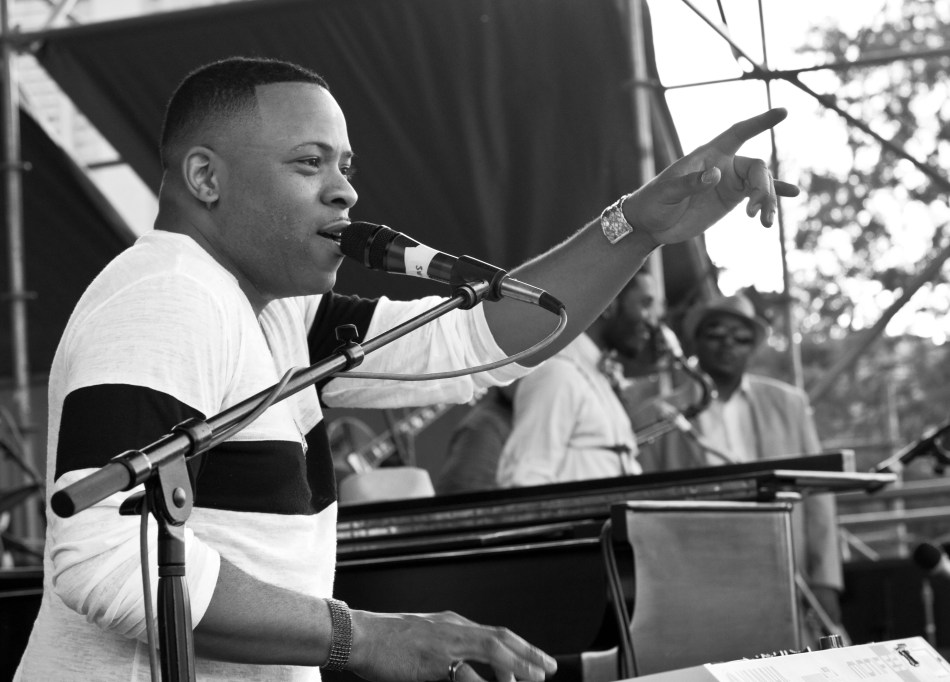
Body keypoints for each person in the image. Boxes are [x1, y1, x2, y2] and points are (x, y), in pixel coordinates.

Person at [14, 56, 798, 682]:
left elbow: (484, 339)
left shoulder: (276, 312)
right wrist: (365, 638)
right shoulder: (165, 298)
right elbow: (107, 566)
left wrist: (640, 225)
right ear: (205, 178)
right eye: (308, 162)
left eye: (346, 163)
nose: (345, 188)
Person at [636, 293, 846, 638]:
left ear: (753, 347)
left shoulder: (788, 404)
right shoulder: (659, 415)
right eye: (716, 334)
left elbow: (818, 494)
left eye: (741, 338)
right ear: (696, 341)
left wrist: (826, 579)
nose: (728, 345)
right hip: (696, 577)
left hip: (784, 567)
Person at [492, 270, 659, 487]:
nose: (652, 321)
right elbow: (524, 479)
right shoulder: (559, 374)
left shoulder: (592, 376)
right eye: (645, 304)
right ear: (610, 303)